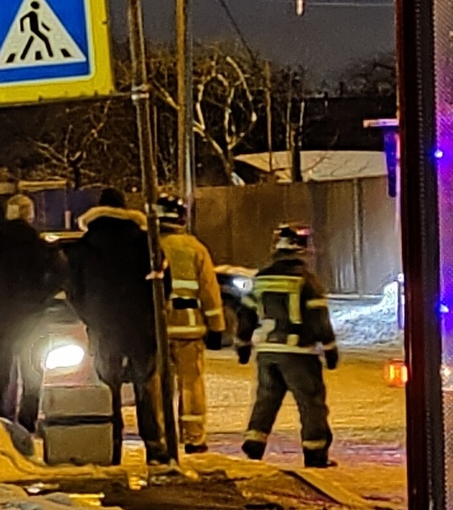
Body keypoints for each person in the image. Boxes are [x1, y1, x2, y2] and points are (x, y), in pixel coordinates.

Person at [67, 187, 169, 464]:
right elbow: (163, 283)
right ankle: (155, 448)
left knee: (107, 387)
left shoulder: (85, 245)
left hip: (104, 327)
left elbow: (74, 291)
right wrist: (150, 312)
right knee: (145, 387)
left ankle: (111, 447)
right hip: (140, 327)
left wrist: (92, 318)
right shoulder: (144, 241)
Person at [234, 223, 337, 467]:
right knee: (311, 403)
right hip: (298, 353)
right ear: (301, 250)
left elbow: (245, 314)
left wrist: (242, 344)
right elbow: (319, 319)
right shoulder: (306, 281)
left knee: (266, 400)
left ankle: (254, 443)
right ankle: (315, 454)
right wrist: (330, 348)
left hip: (267, 352)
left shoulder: (260, 279)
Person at [0, 193, 63, 430]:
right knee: (32, 372)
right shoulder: (39, 244)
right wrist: (42, 295)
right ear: (30, 214)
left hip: (2, 314)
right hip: (33, 316)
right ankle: (27, 422)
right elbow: (60, 273)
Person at [155, 196, 229, 455]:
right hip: (189, 329)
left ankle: (161, 437)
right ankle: (193, 438)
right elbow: (210, 291)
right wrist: (217, 326)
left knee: (158, 385)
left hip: (156, 330)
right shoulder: (195, 248)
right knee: (191, 384)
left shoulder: (147, 246)